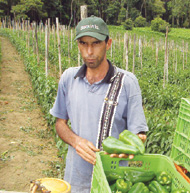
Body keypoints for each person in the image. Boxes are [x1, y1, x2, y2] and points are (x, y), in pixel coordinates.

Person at [50, 15, 148, 193]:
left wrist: (136, 143)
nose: (89, 51)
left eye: (95, 43)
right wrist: (76, 141)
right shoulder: (68, 79)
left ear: (108, 44)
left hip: (114, 182)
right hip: (76, 179)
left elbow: (137, 134)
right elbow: (60, 123)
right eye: (83, 43)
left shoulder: (127, 83)